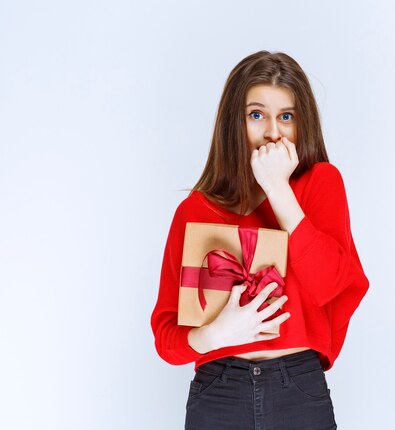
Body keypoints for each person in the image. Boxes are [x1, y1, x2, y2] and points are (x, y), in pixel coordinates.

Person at [150, 50, 369, 430]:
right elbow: (167, 338)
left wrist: (279, 191)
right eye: (256, 115)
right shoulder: (196, 210)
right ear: (233, 122)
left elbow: (331, 284)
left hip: (298, 388)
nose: (272, 132)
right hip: (219, 389)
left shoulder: (321, 183)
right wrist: (218, 333)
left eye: (286, 116)